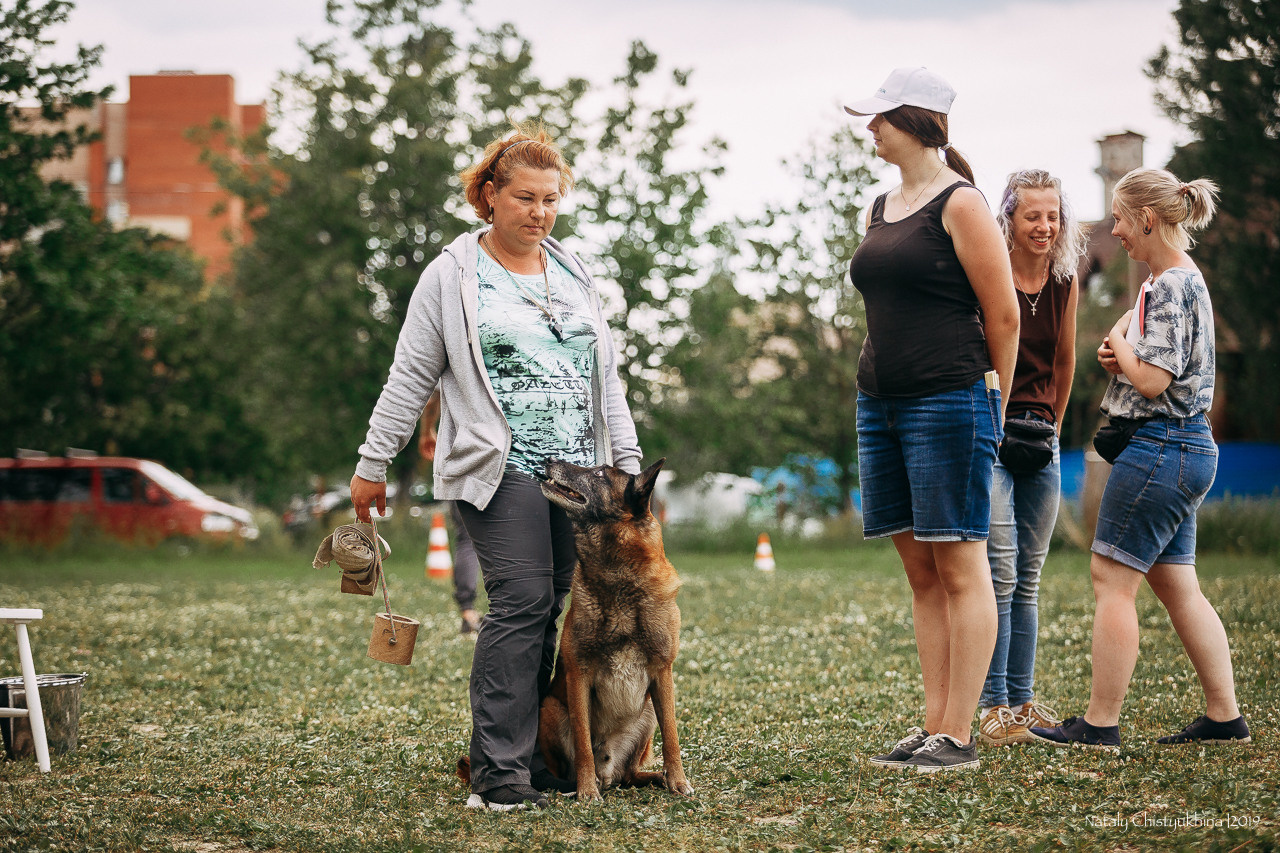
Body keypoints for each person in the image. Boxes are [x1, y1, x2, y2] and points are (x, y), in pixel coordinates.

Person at [349, 123, 644, 810]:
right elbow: (409, 375)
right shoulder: (453, 276)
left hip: (579, 477)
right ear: (489, 195)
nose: (539, 212)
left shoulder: (573, 272)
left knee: (551, 612)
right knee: (520, 601)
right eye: (524, 197)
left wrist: (625, 467)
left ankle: (529, 760)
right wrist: (373, 461)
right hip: (500, 465)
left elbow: (607, 384)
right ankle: (499, 779)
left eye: (550, 199)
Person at [1030, 168, 1251, 750]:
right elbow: (1159, 370)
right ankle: (1224, 715)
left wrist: (1122, 343)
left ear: (1148, 218)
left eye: (1121, 219)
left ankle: (1100, 722)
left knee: (1112, 579)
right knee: (1178, 585)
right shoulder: (1178, 280)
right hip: (1187, 447)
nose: (1116, 231)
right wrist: (1122, 354)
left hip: (1161, 447)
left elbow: (1154, 380)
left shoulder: (1171, 284)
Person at [844, 67, 1020, 773]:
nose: (870, 127)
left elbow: (1002, 314)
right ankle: (932, 727)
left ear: (917, 121)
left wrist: (995, 400)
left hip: (949, 397)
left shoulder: (964, 203)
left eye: (880, 116)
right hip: (879, 399)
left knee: (959, 562)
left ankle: (958, 735)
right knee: (921, 571)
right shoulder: (880, 205)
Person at [977, 170, 1083, 746]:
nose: (1044, 227)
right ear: (1009, 219)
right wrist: (992, 422)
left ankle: (1020, 700)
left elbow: (1065, 360)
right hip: (991, 437)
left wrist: (1055, 425)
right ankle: (992, 705)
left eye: (1053, 216)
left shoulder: (1064, 280)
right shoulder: (987, 272)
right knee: (999, 572)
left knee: (1029, 578)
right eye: (1032, 216)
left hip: (1041, 438)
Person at [418, 391, 481, 637]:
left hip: (459, 457)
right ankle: (507, 613)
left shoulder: (454, 352)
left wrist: (426, 431)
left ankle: (468, 611)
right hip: (504, 457)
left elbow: (433, 397)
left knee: (467, 537)